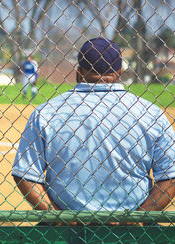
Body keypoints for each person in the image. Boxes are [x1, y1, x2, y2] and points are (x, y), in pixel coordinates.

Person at [12, 37, 175, 217]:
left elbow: (25, 174)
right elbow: (170, 177)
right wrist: (138, 218)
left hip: (67, 229)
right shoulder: (150, 113)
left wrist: (58, 217)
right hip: (133, 232)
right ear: (119, 71)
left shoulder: (46, 113)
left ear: (79, 71)